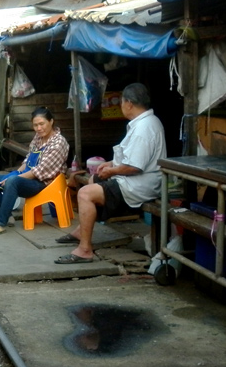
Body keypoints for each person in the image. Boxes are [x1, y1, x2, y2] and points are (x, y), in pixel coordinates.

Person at [54, 82, 166, 264]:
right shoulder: (142, 123)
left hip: (138, 186)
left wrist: (112, 171)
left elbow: (134, 167)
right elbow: (133, 156)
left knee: (84, 193)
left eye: (122, 102)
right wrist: (110, 164)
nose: (122, 106)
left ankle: (84, 250)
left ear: (129, 103)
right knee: (93, 179)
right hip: (135, 181)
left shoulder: (144, 128)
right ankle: (81, 230)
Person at [0, 107, 69, 235]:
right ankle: (7, 215)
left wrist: (14, 178)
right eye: (35, 125)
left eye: (42, 124)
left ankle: (0, 223)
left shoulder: (58, 143)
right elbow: (28, 160)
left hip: (44, 184)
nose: (39, 128)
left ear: (51, 122)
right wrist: (16, 173)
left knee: (13, 181)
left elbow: (39, 171)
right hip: (29, 177)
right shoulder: (38, 138)